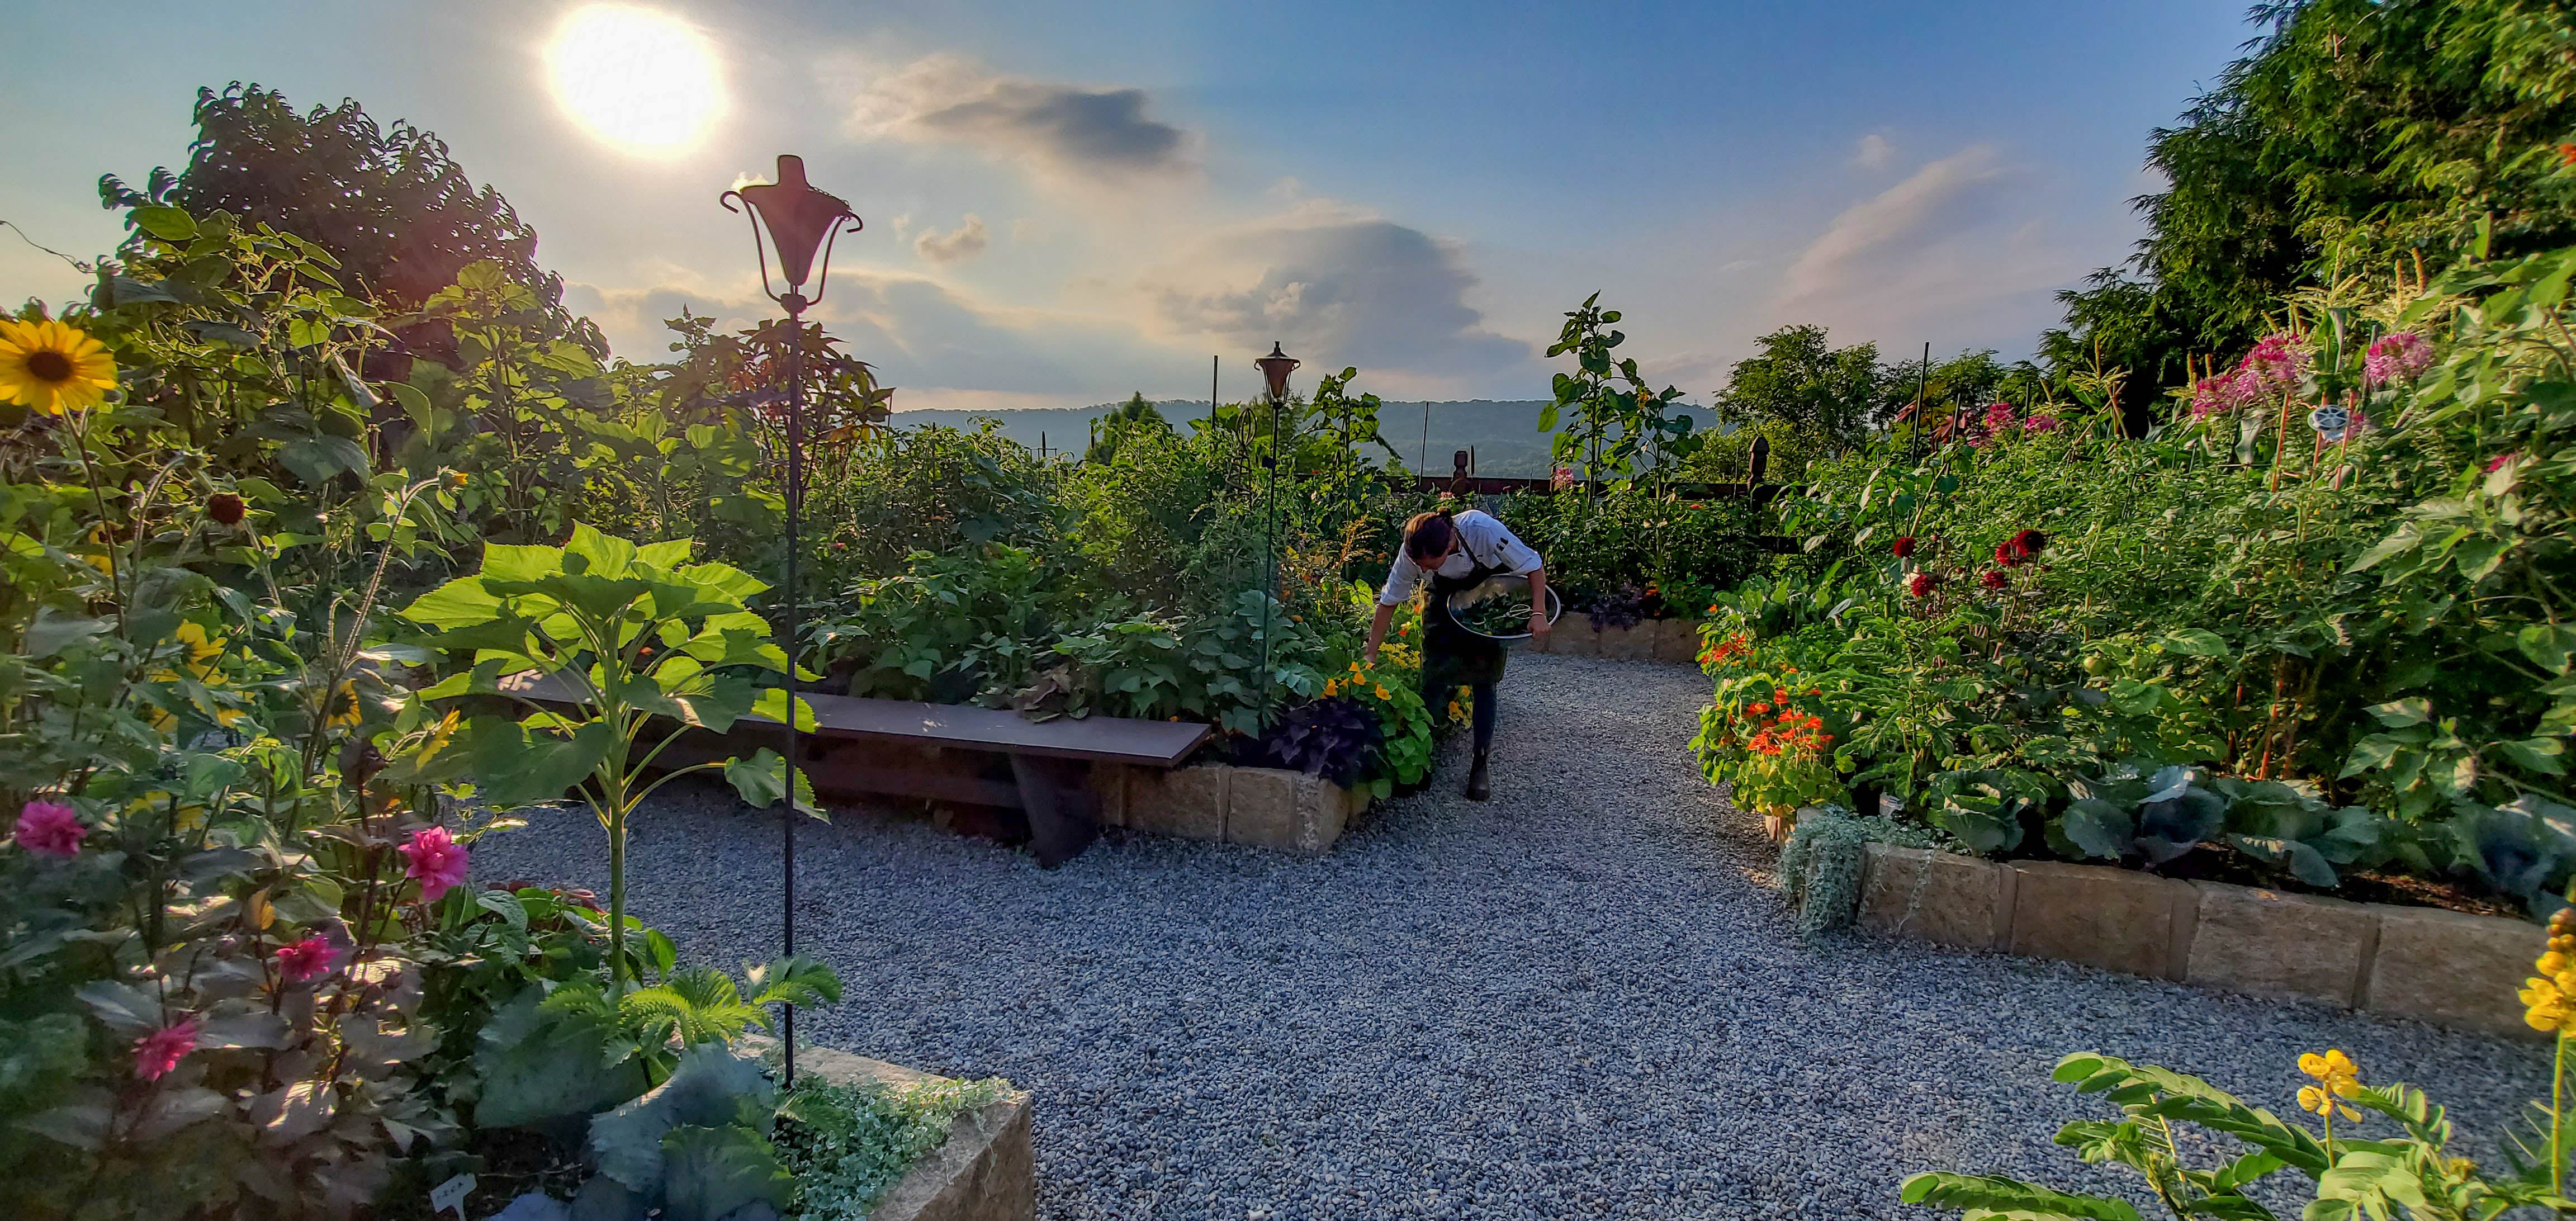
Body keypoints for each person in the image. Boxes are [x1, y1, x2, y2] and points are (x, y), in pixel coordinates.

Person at [1363, 508, 1550, 801]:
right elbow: (1389, 601)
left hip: (1486, 597)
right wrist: (1370, 654)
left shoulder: (1482, 530)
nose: (1425, 570)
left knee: (1485, 680)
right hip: (1442, 601)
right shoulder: (1415, 548)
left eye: (1431, 565)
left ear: (1450, 544)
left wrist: (1538, 612)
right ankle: (1421, 761)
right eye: (1421, 566)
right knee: (1433, 679)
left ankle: (1480, 764)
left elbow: (1533, 565)